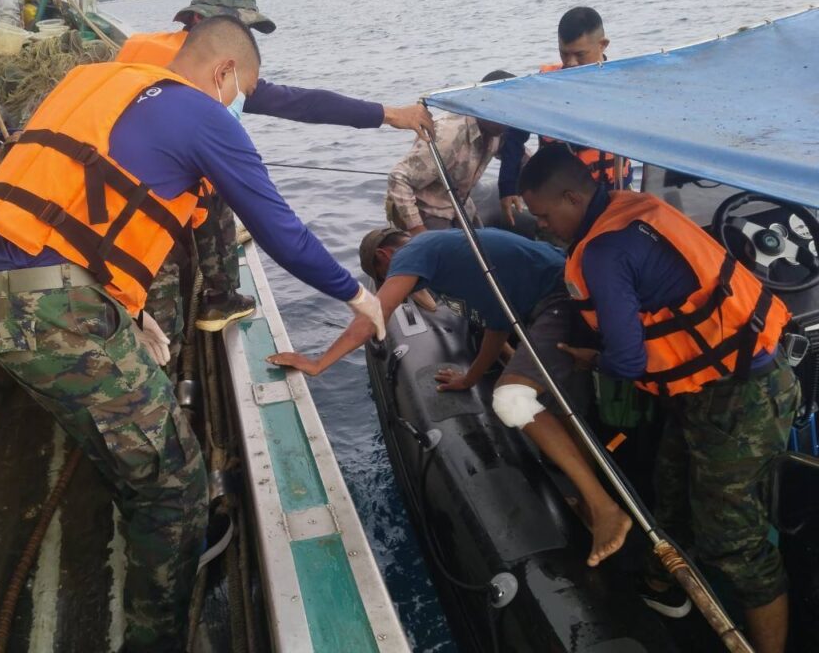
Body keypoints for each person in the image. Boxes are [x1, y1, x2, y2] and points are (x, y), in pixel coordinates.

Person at [0, 17, 386, 652]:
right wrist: (359, 296)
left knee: (132, 458)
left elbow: (67, 211)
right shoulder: (203, 115)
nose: (238, 104)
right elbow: (282, 231)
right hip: (59, 317)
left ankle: (145, 526)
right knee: (179, 487)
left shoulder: (97, 80)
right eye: (242, 92)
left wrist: (124, 309)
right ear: (224, 73)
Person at [518, 144, 799, 653]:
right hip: (708, 389)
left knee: (735, 542)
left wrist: (591, 360)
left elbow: (627, 362)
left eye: (543, 215)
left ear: (572, 198)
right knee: (670, 494)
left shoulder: (603, 252)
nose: (541, 226)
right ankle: (662, 589)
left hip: (742, 399)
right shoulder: (630, 206)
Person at [116, 0, 434, 376]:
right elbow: (298, 112)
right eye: (242, 27)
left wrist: (386, 114)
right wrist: (357, 296)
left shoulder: (139, 53)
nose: (246, 39)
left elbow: (300, 102)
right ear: (211, 24)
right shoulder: (212, 76)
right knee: (160, 337)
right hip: (145, 226)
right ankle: (215, 304)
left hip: (106, 206)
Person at [267, 225, 633, 568]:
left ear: (384, 256)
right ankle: (590, 504)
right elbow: (497, 326)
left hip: (562, 297)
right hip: (573, 292)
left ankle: (605, 508)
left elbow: (375, 314)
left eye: (386, 277)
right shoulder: (459, 258)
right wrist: (469, 378)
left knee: (512, 398)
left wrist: (318, 363)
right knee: (564, 408)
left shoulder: (415, 251)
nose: (397, 287)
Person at [498, 6, 632, 225]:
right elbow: (514, 136)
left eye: (580, 54)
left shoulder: (624, 85)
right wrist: (507, 186)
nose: (570, 63)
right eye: (564, 53)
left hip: (612, 194)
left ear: (602, 45)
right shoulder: (544, 85)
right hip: (559, 203)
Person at [386, 70, 531, 234]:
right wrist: (417, 231)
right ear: (481, 103)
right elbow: (398, 178)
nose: (506, 120)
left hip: (461, 206)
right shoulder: (448, 134)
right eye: (501, 112)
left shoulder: (498, 129)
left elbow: (517, 156)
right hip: (429, 213)